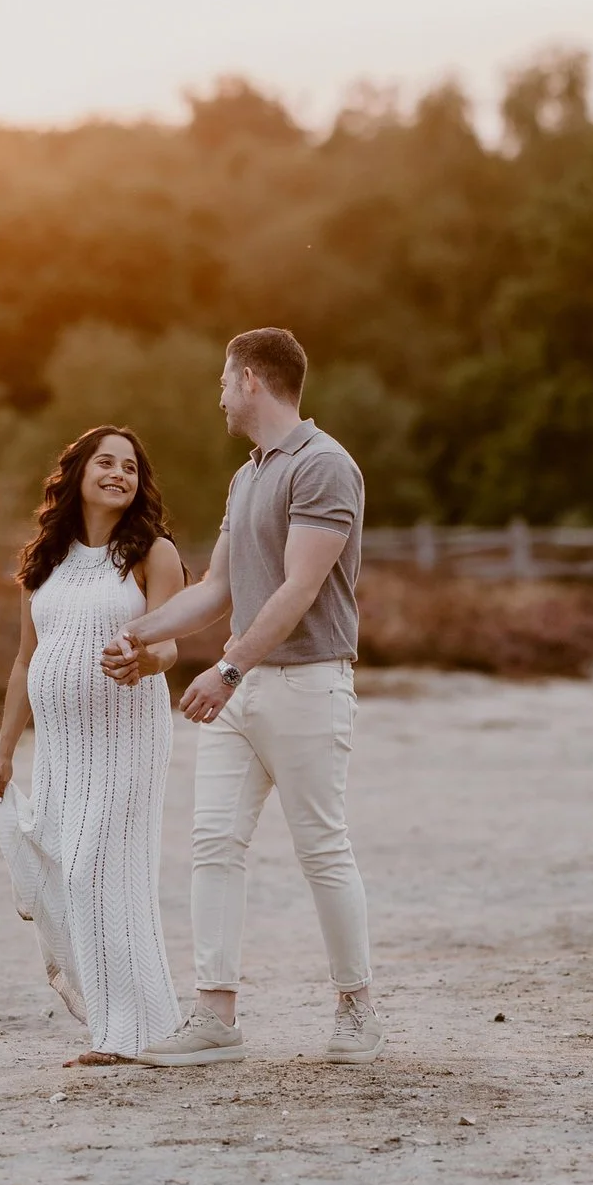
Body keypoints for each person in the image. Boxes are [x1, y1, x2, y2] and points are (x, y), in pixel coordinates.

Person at [103, 327, 382, 1066]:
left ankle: (357, 1008)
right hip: (244, 687)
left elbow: (299, 588)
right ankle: (215, 1015)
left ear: (252, 379)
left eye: (224, 381)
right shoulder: (246, 475)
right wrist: (137, 632)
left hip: (308, 683)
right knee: (214, 844)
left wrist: (225, 671)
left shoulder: (324, 465)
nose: (220, 396)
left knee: (321, 846)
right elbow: (217, 587)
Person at [0, 426, 188, 1065]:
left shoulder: (152, 554)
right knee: (77, 879)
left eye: (130, 467)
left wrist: (144, 660)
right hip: (62, 751)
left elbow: (170, 645)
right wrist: (5, 752)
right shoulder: (44, 560)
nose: (119, 474)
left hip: (128, 737)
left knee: (94, 871)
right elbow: (26, 660)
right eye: (106, 462)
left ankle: (126, 1036)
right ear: (77, 473)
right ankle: (131, 1027)